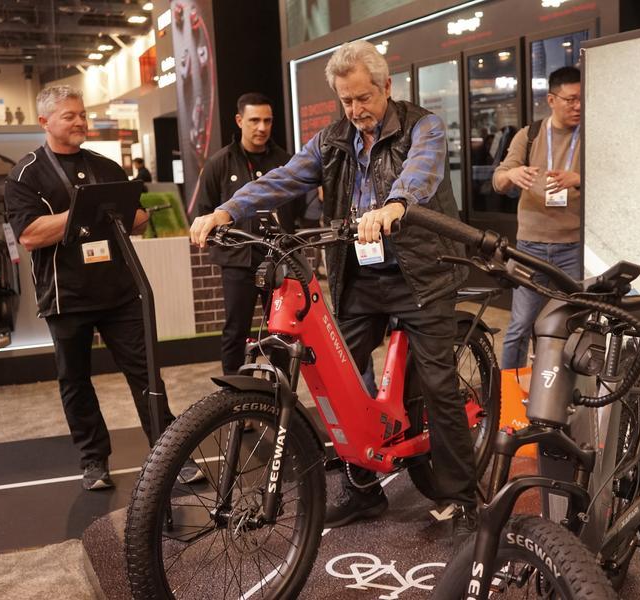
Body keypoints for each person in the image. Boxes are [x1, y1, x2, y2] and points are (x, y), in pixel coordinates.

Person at [189, 40, 478, 544]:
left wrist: (395, 205)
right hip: (361, 277)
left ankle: (463, 497)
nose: (356, 110)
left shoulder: (423, 126)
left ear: (387, 87)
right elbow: (284, 178)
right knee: (336, 376)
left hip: (422, 274)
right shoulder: (332, 140)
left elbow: (422, 171)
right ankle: (363, 487)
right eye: (346, 101)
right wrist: (228, 209)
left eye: (364, 98)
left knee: (438, 383)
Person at [4, 85, 199, 490]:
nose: (80, 122)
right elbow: (30, 235)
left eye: (82, 115)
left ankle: (170, 455)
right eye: (69, 116)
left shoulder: (106, 167)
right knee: (75, 380)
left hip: (119, 292)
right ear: (44, 122)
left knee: (147, 375)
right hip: (66, 296)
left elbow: (136, 219)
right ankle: (94, 460)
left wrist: (131, 212)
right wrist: (85, 210)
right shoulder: (26, 174)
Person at [195, 93, 292, 376]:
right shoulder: (219, 163)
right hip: (237, 262)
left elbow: (299, 210)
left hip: (278, 261)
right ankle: (236, 395)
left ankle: (278, 393)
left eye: (267, 121)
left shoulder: (285, 162)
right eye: (254, 120)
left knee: (282, 331)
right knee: (235, 331)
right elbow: (205, 211)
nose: (262, 127)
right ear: (239, 121)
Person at [492, 66, 582, 369]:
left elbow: (613, 181)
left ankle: (563, 389)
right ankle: (509, 391)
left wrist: (578, 179)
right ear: (551, 100)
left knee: (572, 325)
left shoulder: (589, 136)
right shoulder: (529, 135)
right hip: (530, 247)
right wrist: (512, 174)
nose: (578, 106)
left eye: (581, 99)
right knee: (519, 326)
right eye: (570, 99)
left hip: (573, 247)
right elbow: (498, 180)